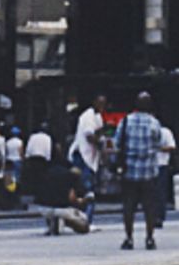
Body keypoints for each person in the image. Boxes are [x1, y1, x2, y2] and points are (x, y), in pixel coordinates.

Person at [116, 90, 167, 247]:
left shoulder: (125, 121)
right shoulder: (154, 123)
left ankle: (129, 238)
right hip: (149, 170)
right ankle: (149, 238)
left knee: (129, 206)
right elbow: (159, 142)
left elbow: (118, 142)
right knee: (149, 207)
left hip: (129, 169)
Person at [69, 96, 107, 226]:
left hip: (91, 157)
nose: (102, 107)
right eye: (100, 103)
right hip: (82, 155)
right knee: (85, 188)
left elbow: (100, 132)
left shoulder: (98, 117)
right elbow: (89, 136)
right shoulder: (88, 116)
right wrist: (101, 146)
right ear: (94, 103)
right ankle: (85, 220)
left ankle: (85, 218)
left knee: (89, 188)